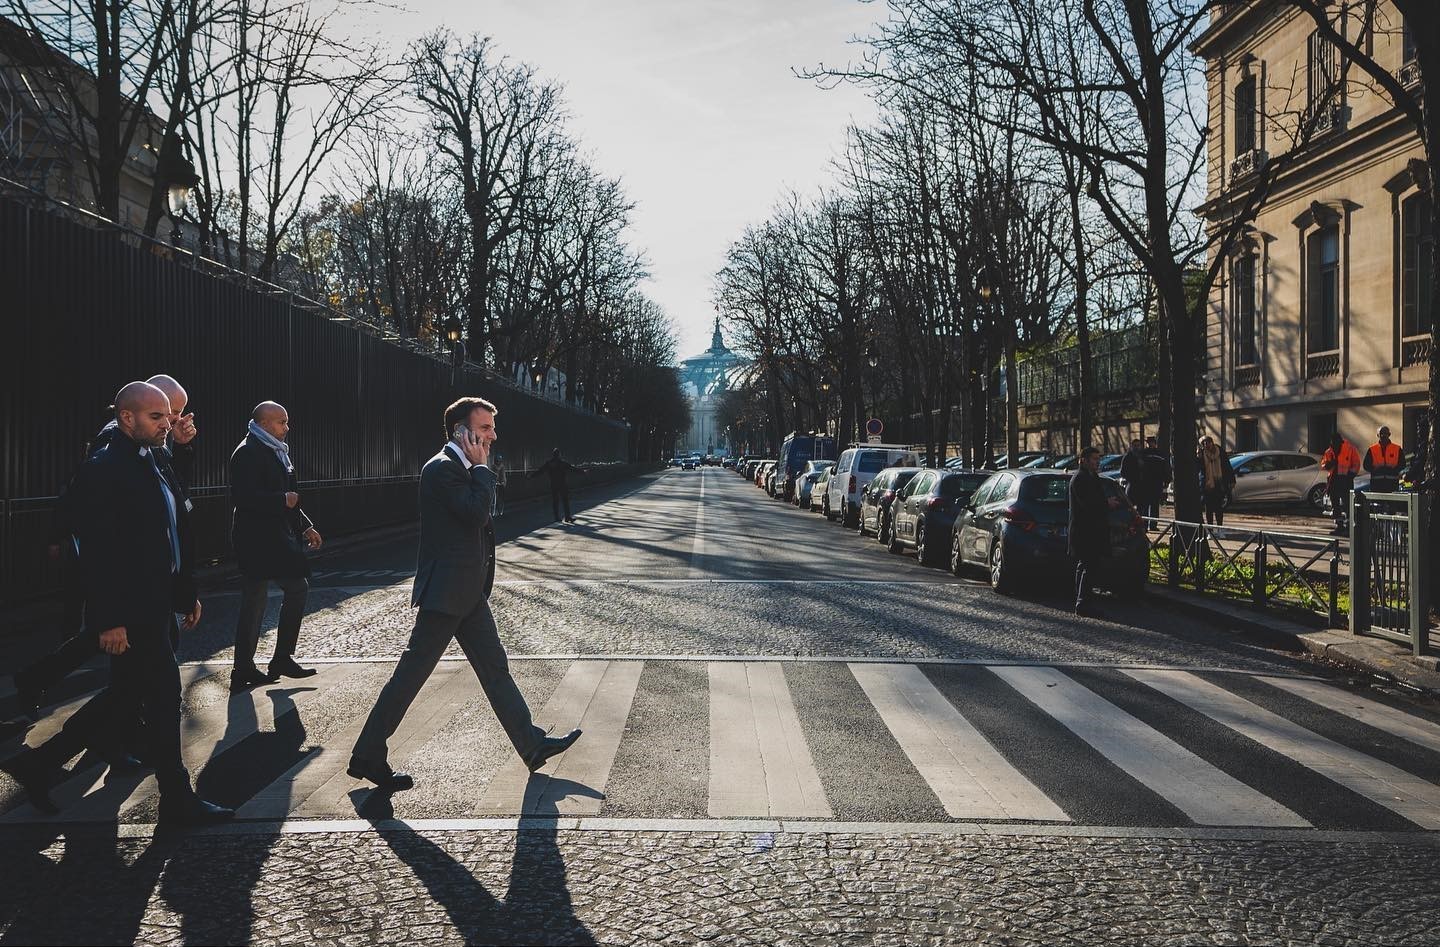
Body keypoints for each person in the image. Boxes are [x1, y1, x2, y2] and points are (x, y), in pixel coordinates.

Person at [1, 382, 231, 825]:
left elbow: (174, 523)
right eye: (157, 418)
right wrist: (108, 620)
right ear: (127, 417)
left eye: (169, 416)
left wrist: (185, 593)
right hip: (132, 607)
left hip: (154, 599)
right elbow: (100, 553)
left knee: (127, 694)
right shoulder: (106, 466)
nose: (168, 425)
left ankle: (38, 763)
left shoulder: (152, 456)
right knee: (162, 698)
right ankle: (177, 799)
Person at [347, 397, 582, 792]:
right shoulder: (442, 469)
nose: (493, 435)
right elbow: (475, 514)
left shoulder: (460, 468)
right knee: (410, 676)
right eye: (485, 428)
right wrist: (483, 471)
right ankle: (368, 754)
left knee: (495, 668)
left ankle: (531, 744)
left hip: (466, 591)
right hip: (446, 593)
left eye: (492, 426)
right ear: (463, 432)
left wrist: (478, 471)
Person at [14, 374, 198, 720]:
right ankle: (103, 728)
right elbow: (87, 504)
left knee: (126, 650)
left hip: (148, 570)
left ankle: (105, 722)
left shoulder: (155, 438)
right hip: (127, 570)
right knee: (126, 649)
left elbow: (173, 494)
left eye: (177, 413)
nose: (176, 420)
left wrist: (183, 447)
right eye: (172, 412)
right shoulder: (114, 443)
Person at [229, 402, 322, 691]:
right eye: (282, 422)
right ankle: (248, 667)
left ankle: (275, 659)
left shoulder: (278, 452)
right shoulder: (247, 452)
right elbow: (244, 498)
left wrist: (304, 525)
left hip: (277, 537)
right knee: (256, 601)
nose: (287, 427)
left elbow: (290, 496)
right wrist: (282, 500)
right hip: (256, 539)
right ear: (265, 423)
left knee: (293, 589)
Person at [1069, 447, 1120, 617]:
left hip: (1092, 530)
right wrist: (1107, 503)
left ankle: (1082, 600)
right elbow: (1088, 504)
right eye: (1094, 458)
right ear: (1083, 460)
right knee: (1088, 566)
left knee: (1085, 566)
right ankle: (1083, 603)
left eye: (1099, 458)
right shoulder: (1080, 478)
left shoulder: (1092, 476)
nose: (1098, 462)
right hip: (1086, 531)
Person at [530, 448, 587, 523]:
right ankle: (567, 517)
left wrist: (531, 476)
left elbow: (540, 471)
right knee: (565, 501)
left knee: (555, 501)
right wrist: (583, 472)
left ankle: (556, 517)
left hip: (553, 484)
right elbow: (573, 469)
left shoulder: (549, 463)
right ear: (559, 454)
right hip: (562, 484)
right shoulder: (563, 463)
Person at [1321, 431, 1362, 534]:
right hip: (1333, 481)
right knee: (1335, 505)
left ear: (1341, 441)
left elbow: (1356, 464)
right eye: (1333, 442)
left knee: (1347, 505)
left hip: (1346, 480)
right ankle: (1339, 526)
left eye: (1336, 441)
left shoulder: (1350, 449)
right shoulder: (1329, 451)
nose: (1334, 443)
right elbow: (1324, 464)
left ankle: (1348, 527)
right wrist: (1330, 464)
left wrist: (1350, 476)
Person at [1197, 435, 1235, 526]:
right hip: (1207, 485)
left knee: (1219, 508)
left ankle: (1219, 528)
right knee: (1208, 509)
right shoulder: (1201, 454)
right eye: (1204, 444)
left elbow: (1227, 467)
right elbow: (1198, 469)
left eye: (1207, 443)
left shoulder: (1220, 452)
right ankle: (1210, 530)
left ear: (1212, 442)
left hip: (1219, 483)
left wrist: (1232, 480)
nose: (1206, 445)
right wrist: (1198, 457)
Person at [1363, 425, 1405, 494]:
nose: (1383, 435)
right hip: (1376, 484)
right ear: (1377, 435)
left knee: (1392, 504)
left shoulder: (1397, 449)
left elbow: (1402, 464)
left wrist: (1393, 470)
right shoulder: (1372, 449)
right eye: (1381, 433)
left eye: (1385, 433)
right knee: (1377, 504)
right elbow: (1366, 465)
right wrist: (1376, 470)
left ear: (1389, 434)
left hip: (1392, 483)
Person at [1142, 436, 1172, 524]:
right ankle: (1145, 524)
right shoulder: (1144, 453)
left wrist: (1166, 480)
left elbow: (1164, 468)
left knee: (1154, 504)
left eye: (1150, 442)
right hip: (1147, 482)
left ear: (1154, 443)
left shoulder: (1159, 454)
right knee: (1146, 505)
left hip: (1156, 482)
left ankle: (1153, 524)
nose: (1149, 444)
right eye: (1148, 442)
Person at [1119, 439, 1147, 513]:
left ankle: (1141, 523)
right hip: (1132, 485)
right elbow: (1122, 472)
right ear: (1131, 446)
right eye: (1135, 446)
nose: (1137, 447)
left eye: (1138, 445)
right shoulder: (1127, 457)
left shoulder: (1143, 456)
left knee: (1141, 509)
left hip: (1142, 486)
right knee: (1129, 507)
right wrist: (1132, 477)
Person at [491, 451, 508, 517]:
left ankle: (500, 508)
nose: (497, 462)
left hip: (501, 483)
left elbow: (503, 475)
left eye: (498, 460)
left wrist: (502, 482)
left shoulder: (502, 467)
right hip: (495, 482)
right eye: (497, 460)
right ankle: (493, 509)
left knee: (500, 496)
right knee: (493, 495)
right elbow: (492, 474)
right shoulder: (493, 466)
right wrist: (492, 480)